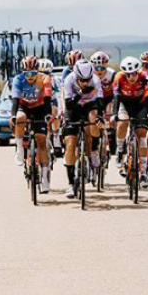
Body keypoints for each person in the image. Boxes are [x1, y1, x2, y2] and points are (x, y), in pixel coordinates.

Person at [9, 56, 53, 193]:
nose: (30, 76)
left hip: (40, 108)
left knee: (41, 142)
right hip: (24, 106)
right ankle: (20, 148)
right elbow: (15, 100)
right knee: (20, 118)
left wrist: (48, 114)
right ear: (23, 72)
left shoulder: (45, 79)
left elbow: (47, 99)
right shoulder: (18, 79)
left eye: (33, 73)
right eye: (27, 73)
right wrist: (13, 115)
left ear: (37, 71)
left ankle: (45, 178)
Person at [61, 60, 104, 197]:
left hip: (89, 107)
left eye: (88, 80)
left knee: (94, 119)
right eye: (82, 80)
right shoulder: (69, 80)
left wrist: (100, 117)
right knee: (70, 143)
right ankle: (70, 184)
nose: (85, 82)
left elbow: (100, 101)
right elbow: (69, 105)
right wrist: (80, 93)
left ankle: (93, 150)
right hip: (73, 108)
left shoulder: (95, 80)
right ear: (76, 76)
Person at [113, 57, 148, 188]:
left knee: (142, 135)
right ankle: (120, 150)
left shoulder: (145, 76)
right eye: (128, 74)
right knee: (122, 123)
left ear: (138, 71)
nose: (131, 77)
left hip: (140, 105)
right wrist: (114, 114)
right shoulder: (119, 77)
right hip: (124, 105)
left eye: (133, 74)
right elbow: (116, 96)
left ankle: (143, 173)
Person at [90, 52, 117, 156]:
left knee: (110, 111)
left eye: (102, 68)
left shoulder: (112, 74)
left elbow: (116, 91)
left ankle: (112, 135)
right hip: (95, 98)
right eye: (96, 68)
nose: (99, 70)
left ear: (106, 65)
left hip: (108, 97)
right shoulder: (89, 74)